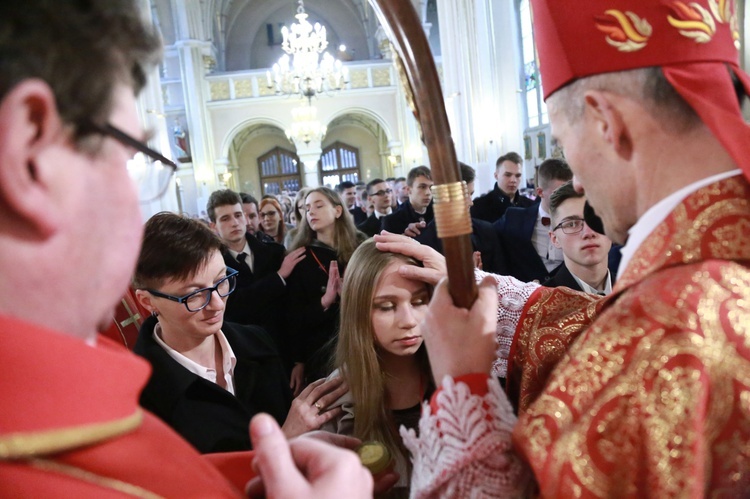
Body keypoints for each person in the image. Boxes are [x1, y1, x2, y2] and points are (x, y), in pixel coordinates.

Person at [381, 0, 750, 496]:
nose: (575, 176)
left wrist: (463, 385)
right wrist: (496, 295)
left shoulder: (666, 334)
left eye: (561, 137)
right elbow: (603, 323)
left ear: (604, 119)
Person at [132, 212, 347, 453]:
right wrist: (282, 441)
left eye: (221, 281)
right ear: (148, 302)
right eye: (194, 294)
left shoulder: (256, 341)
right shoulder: (138, 396)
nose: (217, 304)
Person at [321, 240, 435, 497]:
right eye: (386, 306)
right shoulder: (333, 400)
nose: (408, 321)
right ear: (358, 312)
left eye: (419, 302)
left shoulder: (458, 384)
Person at [286, 187, 367, 393]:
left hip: (361, 340)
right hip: (322, 349)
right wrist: (325, 301)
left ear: (338, 211)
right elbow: (294, 316)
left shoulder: (362, 246)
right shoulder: (301, 257)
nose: (311, 212)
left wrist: (351, 295)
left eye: (319, 206)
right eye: (307, 208)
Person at [207, 189, 304, 340]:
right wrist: (277, 278)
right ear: (213, 226)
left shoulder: (275, 253)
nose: (234, 223)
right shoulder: (211, 265)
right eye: (225, 218)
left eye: (238, 215)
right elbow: (233, 306)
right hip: (242, 348)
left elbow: (293, 306)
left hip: (282, 344)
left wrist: (299, 357)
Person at [416, 162, 507, 274]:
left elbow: (503, 277)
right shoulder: (424, 242)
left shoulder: (486, 231)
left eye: (471, 194)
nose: (471, 202)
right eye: (464, 196)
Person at [494, 158, 572, 282]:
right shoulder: (514, 219)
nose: (567, 199)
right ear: (540, 192)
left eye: (570, 192)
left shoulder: (585, 223)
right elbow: (485, 235)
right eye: (559, 194)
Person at [543, 180, 614, 294]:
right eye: (572, 224)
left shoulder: (637, 292)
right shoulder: (541, 305)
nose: (588, 233)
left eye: (596, 219)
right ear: (554, 239)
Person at [470, 151, 535, 222]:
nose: (513, 180)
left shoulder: (530, 206)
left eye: (518, 176)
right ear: (496, 175)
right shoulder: (479, 207)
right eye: (508, 175)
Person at [381, 165, 434, 237]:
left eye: (431, 187)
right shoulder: (392, 221)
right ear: (409, 190)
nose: (428, 192)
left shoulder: (439, 214)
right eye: (422, 187)